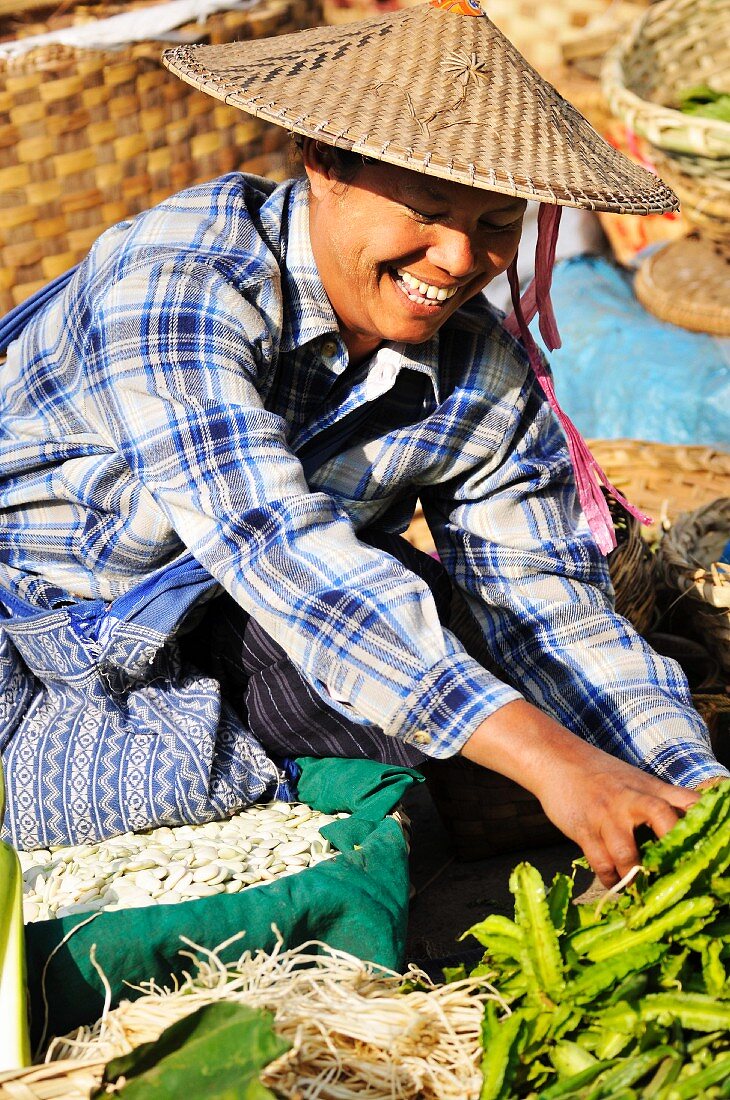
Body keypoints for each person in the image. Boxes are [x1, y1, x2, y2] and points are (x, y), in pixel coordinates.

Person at [0, 0, 726, 883]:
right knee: (399, 721)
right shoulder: (182, 280)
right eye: (427, 210)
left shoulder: (479, 370)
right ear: (326, 163)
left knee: (444, 640)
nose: (458, 260)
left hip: (226, 621)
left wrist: (697, 797)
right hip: (46, 620)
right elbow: (273, 545)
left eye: (497, 223)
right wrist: (554, 762)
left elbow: (551, 608)